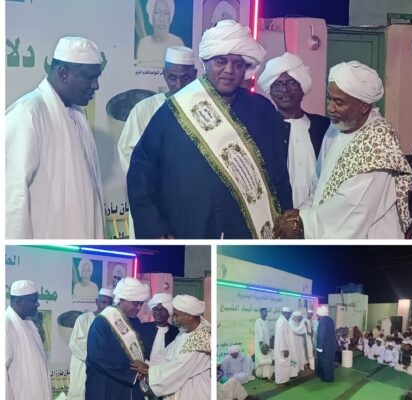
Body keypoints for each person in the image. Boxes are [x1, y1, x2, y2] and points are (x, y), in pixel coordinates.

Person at [128, 19, 293, 239]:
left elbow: (278, 175)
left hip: (247, 234)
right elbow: (141, 175)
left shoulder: (262, 111)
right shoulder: (174, 111)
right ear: (206, 62)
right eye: (221, 61)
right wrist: (154, 230)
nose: (229, 70)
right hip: (186, 230)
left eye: (238, 64)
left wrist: (285, 215)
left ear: (246, 68)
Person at [274, 61, 412, 239]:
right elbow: (319, 187)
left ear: (363, 106)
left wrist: (303, 222)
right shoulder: (337, 128)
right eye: (329, 99)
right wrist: (300, 212)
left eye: (339, 102)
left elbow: (354, 208)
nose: (330, 108)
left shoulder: (378, 140)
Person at [6, 36, 105, 239]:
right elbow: (10, 196)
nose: (96, 86)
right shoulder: (29, 113)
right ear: (63, 73)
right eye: (89, 77)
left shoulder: (76, 114)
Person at [118, 46, 197, 238]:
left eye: (186, 78)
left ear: (195, 75)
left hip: (192, 204)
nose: (179, 85)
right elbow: (129, 155)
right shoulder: (144, 109)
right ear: (164, 74)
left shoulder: (203, 111)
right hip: (154, 202)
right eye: (172, 77)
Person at [258, 52, 330, 207]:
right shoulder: (262, 130)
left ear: (302, 87)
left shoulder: (324, 126)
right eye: (277, 85)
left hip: (318, 211)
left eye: (291, 83)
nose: (285, 90)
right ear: (270, 91)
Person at [85, 277, 151, 400]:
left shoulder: (135, 322)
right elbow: (99, 357)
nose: (139, 308)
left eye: (141, 304)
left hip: (130, 387)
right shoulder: (102, 322)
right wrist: (131, 372)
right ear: (121, 300)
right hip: (106, 386)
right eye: (135, 303)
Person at [145, 294, 211, 399]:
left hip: (195, 391)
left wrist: (149, 372)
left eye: (177, 315)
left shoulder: (202, 337)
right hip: (180, 386)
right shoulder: (184, 332)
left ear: (189, 316)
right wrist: (149, 365)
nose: (175, 319)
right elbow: (165, 355)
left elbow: (180, 366)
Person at [6, 280, 52, 400]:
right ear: (18, 301)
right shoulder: (6, 324)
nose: (38, 304)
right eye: (33, 300)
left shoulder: (29, 322)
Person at [68, 288, 113, 400]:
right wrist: (98, 356)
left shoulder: (113, 323)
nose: (106, 306)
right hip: (84, 366)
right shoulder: (83, 319)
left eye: (109, 303)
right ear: (97, 302)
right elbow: (76, 343)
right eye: (103, 302)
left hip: (103, 371)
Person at [136, 0, 185, 68]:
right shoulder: (144, 44)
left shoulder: (178, 43)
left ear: (170, 17)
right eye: (157, 12)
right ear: (151, 16)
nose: (161, 18)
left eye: (165, 13)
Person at [139, 292, 179, 361]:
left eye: (162, 310)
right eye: (155, 309)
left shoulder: (176, 332)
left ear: (169, 312)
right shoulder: (143, 328)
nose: (158, 312)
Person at [274, 307, 298, 384]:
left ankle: (286, 379)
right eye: (289, 314)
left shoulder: (284, 321)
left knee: (287, 364)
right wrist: (284, 349)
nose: (290, 315)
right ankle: (281, 381)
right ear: (284, 313)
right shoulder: (281, 322)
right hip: (283, 349)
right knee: (282, 365)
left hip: (286, 347)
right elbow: (281, 336)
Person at [315, 306, 336, 383]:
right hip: (330, 346)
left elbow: (321, 334)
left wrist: (319, 347)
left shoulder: (322, 321)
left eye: (318, 315)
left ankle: (326, 378)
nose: (317, 316)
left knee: (324, 362)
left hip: (324, 347)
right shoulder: (330, 320)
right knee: (329, 362)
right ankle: (329, 376)